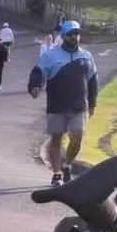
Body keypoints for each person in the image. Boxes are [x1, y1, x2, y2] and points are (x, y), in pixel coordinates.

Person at [27, 20, 97, 186]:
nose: (74, 37)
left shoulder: (86, 56)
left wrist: (93, 102)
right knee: (56, 140)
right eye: (71, 34)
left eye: (77, 34)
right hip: (57, 106)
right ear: (63, 35)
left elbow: (93, 80)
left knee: (77, 139)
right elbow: (38, 71)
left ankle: (67, 165)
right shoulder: (51, 55)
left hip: (79, 106)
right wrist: (35, 87)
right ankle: (57, 174)